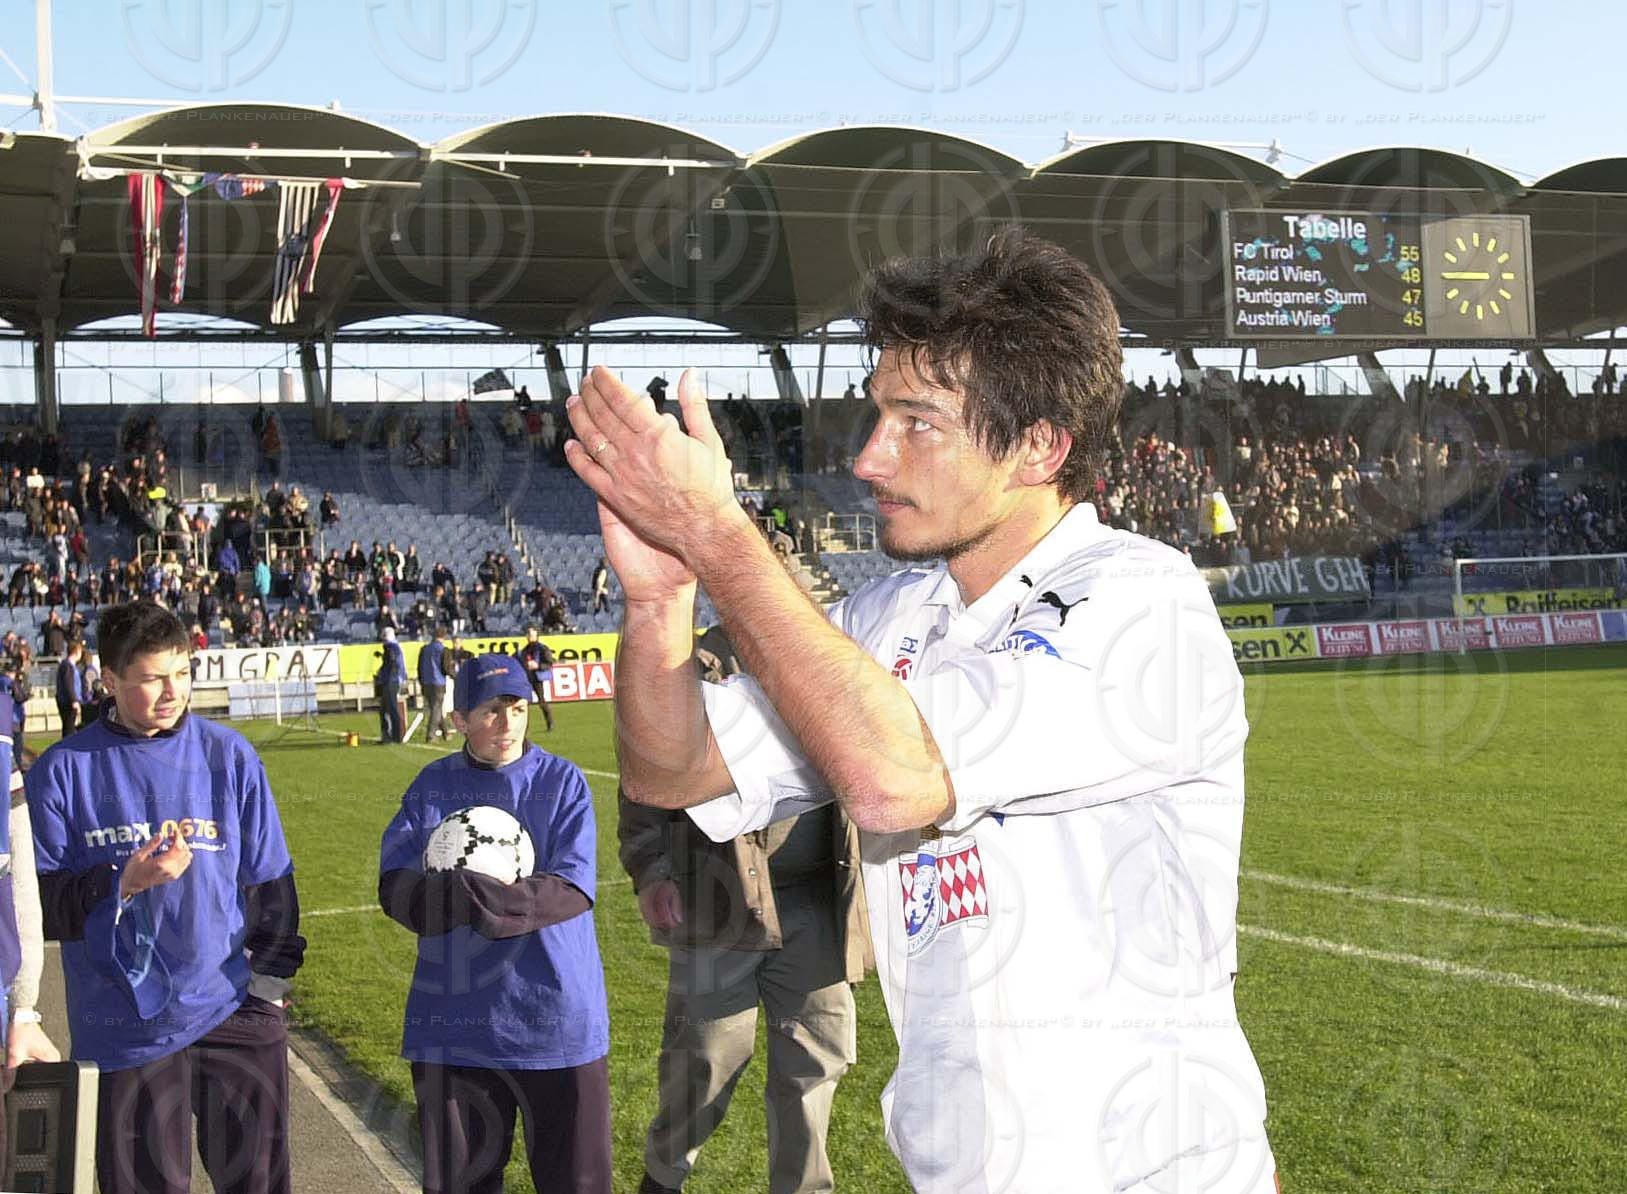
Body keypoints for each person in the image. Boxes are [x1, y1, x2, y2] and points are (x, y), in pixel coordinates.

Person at [562, 231, 1277, 1193]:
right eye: (877, 414)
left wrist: (718, 531)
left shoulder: (1143, 602)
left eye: (917, 423)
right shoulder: (888, 614)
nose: (867, 458)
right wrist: (660, 601)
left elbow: (894, 781)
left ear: (1039, 446)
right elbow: (674, 772)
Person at [26, 600, 305, 1194]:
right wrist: (123, 882)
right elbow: (38, 906)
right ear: (109, 680)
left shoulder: (229, 755)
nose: (173, 692)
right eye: (153, 678)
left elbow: (273, 884)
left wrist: (269, 990)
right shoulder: (62, 771)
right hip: (125, 1027)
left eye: (182, 672)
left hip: (234, 1011)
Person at [618, 688, 870, 1194]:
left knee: (814, 1064)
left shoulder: (833, 660)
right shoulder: (687, 670)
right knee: (704, 1058)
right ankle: (663, 1178)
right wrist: (652, 870)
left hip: (819, 898)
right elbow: (643, 779)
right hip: (717, 899)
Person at [378, 653, 611, 1194]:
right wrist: (455, 896)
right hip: (454, 1027)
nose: (507, 723)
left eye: (518, 708)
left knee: (577, 1183)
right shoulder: (432, 785)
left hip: (554, 1020)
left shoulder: (562, 781)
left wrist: (480, 902)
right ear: (459, 719)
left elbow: (572, 889)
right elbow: (396, 890)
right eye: (490, 711)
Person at [517, 625, 555, 732]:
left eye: (530, 634)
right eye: (527, 634)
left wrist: (538, 666)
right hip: (527, 678)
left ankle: (550, 723)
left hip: (537, 678)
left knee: (541, 701)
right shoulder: (524, 650)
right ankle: (524, 727)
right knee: (524, 703)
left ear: (536, 635)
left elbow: (549, 663)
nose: (528, 636)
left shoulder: (542, 648)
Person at [418, 625, 451, 743]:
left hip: (426, 682)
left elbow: (419, 667)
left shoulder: (424, 649)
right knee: (436, 709)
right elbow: (446, 668)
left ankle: (446, 733)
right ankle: (431, 735)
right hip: (438, 682)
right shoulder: (443, 650)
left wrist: (421, 681)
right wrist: (456, 676)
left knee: (435, 708)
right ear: (444, 636)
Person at [376, 626, 407, 744]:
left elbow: (391, 664)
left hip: (390, 681)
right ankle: (390, 736)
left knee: (390, 709)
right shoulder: (395, 647)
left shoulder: (391, 648)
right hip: (393, 680)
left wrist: (382, 673)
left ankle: (395, 736)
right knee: (386, 709)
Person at [54, 640, 85, 738]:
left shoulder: (69, 665)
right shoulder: (68, 666)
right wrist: (74, 700)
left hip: (68, 701)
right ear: (76, 651)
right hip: (68, 702)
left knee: (69, 727)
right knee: (69, 728)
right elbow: (69, 684)